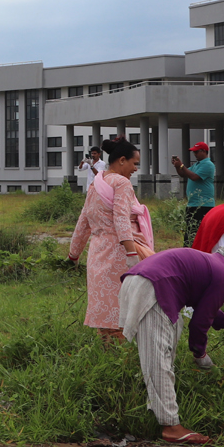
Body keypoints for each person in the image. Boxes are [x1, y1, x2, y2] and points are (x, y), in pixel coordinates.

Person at [119, 245, 224, 445]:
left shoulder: (212, 265)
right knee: (158, 361)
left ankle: (157, 412)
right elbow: (200, 321)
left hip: (139, 281)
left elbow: (207, 308)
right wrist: (200, 354)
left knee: (160, 356)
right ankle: (171, 427)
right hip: (154, 287)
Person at [67, 138, 154, 343]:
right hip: (119, 252)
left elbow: (84, 221)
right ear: (122, 160)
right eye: (134, 163)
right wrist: (132, 254)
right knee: (124, 311)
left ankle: (107, 355)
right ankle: (121, 363)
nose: (135, 168)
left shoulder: (96, 183)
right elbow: (121, 218)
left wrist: (74, 253)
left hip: (97, 252)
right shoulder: (122, 183)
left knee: (106, 313)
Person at [171, 142, 216, 247]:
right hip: (193, 204)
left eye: (196, 152)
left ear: (204, 151)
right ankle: (189, 252)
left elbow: (194, 177)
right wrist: (177, 166)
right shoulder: (196, 165)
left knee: (198, 232)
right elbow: (183, 174)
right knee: (190, 232)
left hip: (203, 205)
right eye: (193, 152)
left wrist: (182, 165)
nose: (194, 154)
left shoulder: (208, 165)